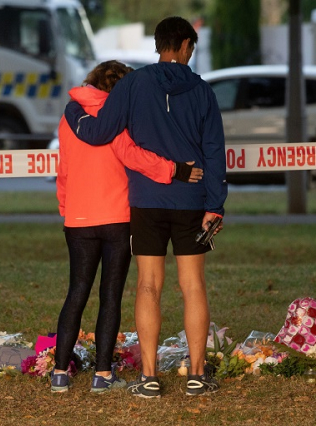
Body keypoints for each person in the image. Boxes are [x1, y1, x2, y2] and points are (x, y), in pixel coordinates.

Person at [64, 17, 227, 397]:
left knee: (148, 285)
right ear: (186, 45)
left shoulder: (133, 83)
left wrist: (74, 111)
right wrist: (215, 206)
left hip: (145, 202)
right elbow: (215, 154)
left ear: (158, 45)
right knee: (192, 286)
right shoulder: (204, 91)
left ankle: (148, 376)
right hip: (193, 201)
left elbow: (100, 132)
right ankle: (198, 375)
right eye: (192, 47)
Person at [52, 60, 203, 394]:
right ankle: (102, 375)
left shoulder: (69, 118)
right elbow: (133, 156)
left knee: (76, 293)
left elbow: (63, 169)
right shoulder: (117, 116)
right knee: (110, 296)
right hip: (117, 218)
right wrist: (174, 170)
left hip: (77, 219)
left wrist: (66, 207)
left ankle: (60, 373)